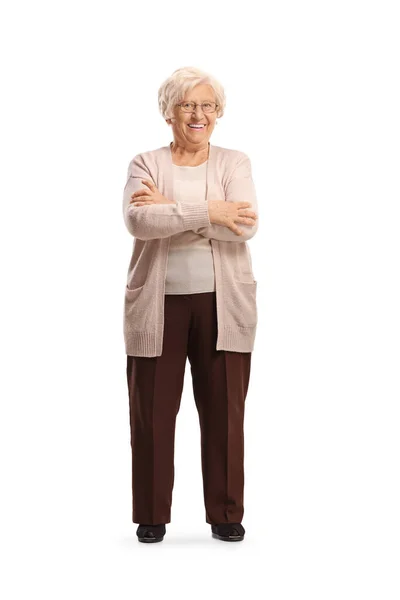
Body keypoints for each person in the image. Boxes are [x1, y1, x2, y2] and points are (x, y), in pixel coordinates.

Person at [122, 66, 259, 543]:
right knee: (152, 415)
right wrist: (209, 212)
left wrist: (174, 211)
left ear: (218, 114)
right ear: (169, 113)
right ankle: (151, 515)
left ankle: (226, 514)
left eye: (208, 106)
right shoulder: (146, 163)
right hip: (156, 305)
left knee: (224, 413)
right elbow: (140, 221)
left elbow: (243, 226)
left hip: (225, 304)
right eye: (187, 105)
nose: (198, 114)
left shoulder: (234, 163)